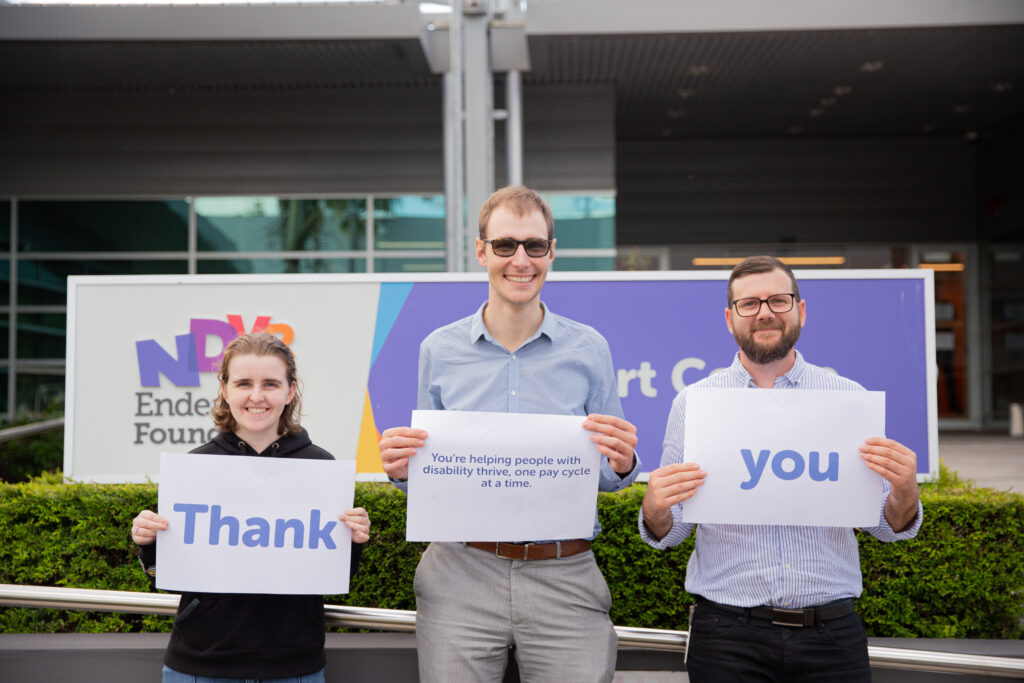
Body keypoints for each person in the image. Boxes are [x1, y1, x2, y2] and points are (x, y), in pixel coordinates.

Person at [378, 185, 640, 682]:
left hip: (565, 575)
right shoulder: (439, 349)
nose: (521, 260)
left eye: (534, 245)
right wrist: (403, 471)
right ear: (482, 252)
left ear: (551, 252)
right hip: (459, 574)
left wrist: (623, 462)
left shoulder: (590, 349)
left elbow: (609, 477)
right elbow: (433, 475)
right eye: (505, 245)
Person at [639, 255, 922, 683]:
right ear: (730, 319)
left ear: (800, 310)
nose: (765, 312)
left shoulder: (847, 399)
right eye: (749, 304)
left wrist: (905, 492)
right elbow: (672, 529)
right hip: (726, 635)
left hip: (832, 634)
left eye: (778, 300)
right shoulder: (695, 404)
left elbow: (886, 526)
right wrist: (655, 508)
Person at [131, 332, 371, 683]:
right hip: (199, 667)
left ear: (290, 391)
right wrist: (149, 542)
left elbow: (337, 576)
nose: (256, 396)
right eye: (244, 383)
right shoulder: (196, 467)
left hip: (294, 668)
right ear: (225, 390)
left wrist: (354, 541)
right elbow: (164, 577)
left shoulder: (321, 467)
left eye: (270, 384)